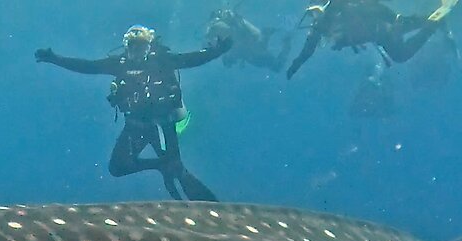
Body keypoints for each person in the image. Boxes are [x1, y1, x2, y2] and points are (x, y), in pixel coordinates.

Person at [36, 25, 232, 202]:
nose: (137, 52)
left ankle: (205, 203)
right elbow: (88, 66)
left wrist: (218, 51)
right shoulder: (119, 64)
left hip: (162, 125)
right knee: (117, 168)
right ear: (126, 46)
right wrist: (55, 59)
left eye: (142, 47)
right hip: (135, 125)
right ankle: (161, 165)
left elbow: (192, 59)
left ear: (149, 47)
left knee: (177, 172)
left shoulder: (162, 61)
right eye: (133, 47)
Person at [286, 0, 453, 80]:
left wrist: (393, 17)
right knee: (401, 53)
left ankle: (432, 23)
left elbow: (369, 5)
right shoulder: (319, 27)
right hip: (379, 35)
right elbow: (309, 48)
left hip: (382, 26)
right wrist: (296, 65)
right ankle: (433, 24)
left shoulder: (338, 7)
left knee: (404, 29)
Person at [204, 8, 291, 73]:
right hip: (240, 35)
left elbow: (258, 43)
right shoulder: (252, 54)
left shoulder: (250, 54)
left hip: (239, 35)